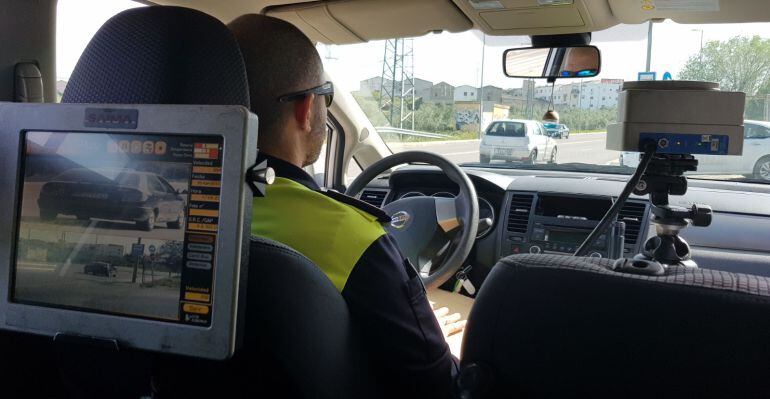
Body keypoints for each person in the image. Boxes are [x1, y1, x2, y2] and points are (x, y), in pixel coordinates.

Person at [228, 14, 462, 397]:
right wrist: (442, 344)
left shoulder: (176, 208)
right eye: (326, 95)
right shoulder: (348, 235)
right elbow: (435, 384)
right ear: (306, 109)